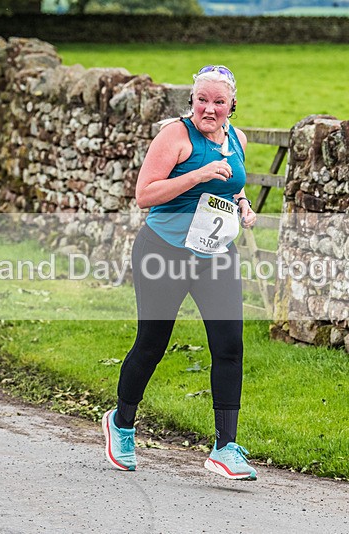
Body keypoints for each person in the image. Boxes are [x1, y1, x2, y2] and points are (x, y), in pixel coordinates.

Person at [102, 64, 258, 480]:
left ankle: (226, 447)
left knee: (229, 346)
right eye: (202, 100)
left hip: (215, 254)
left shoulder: (237, 139)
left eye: (218, 102)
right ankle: (121, 422)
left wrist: (243, 205)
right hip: (164, 252)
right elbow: (145, 195)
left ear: (232, 106)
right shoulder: (175, 136)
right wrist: (200, 174)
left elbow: (233, 184)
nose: (209, 108)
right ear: (192, 101)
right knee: (152, 344)